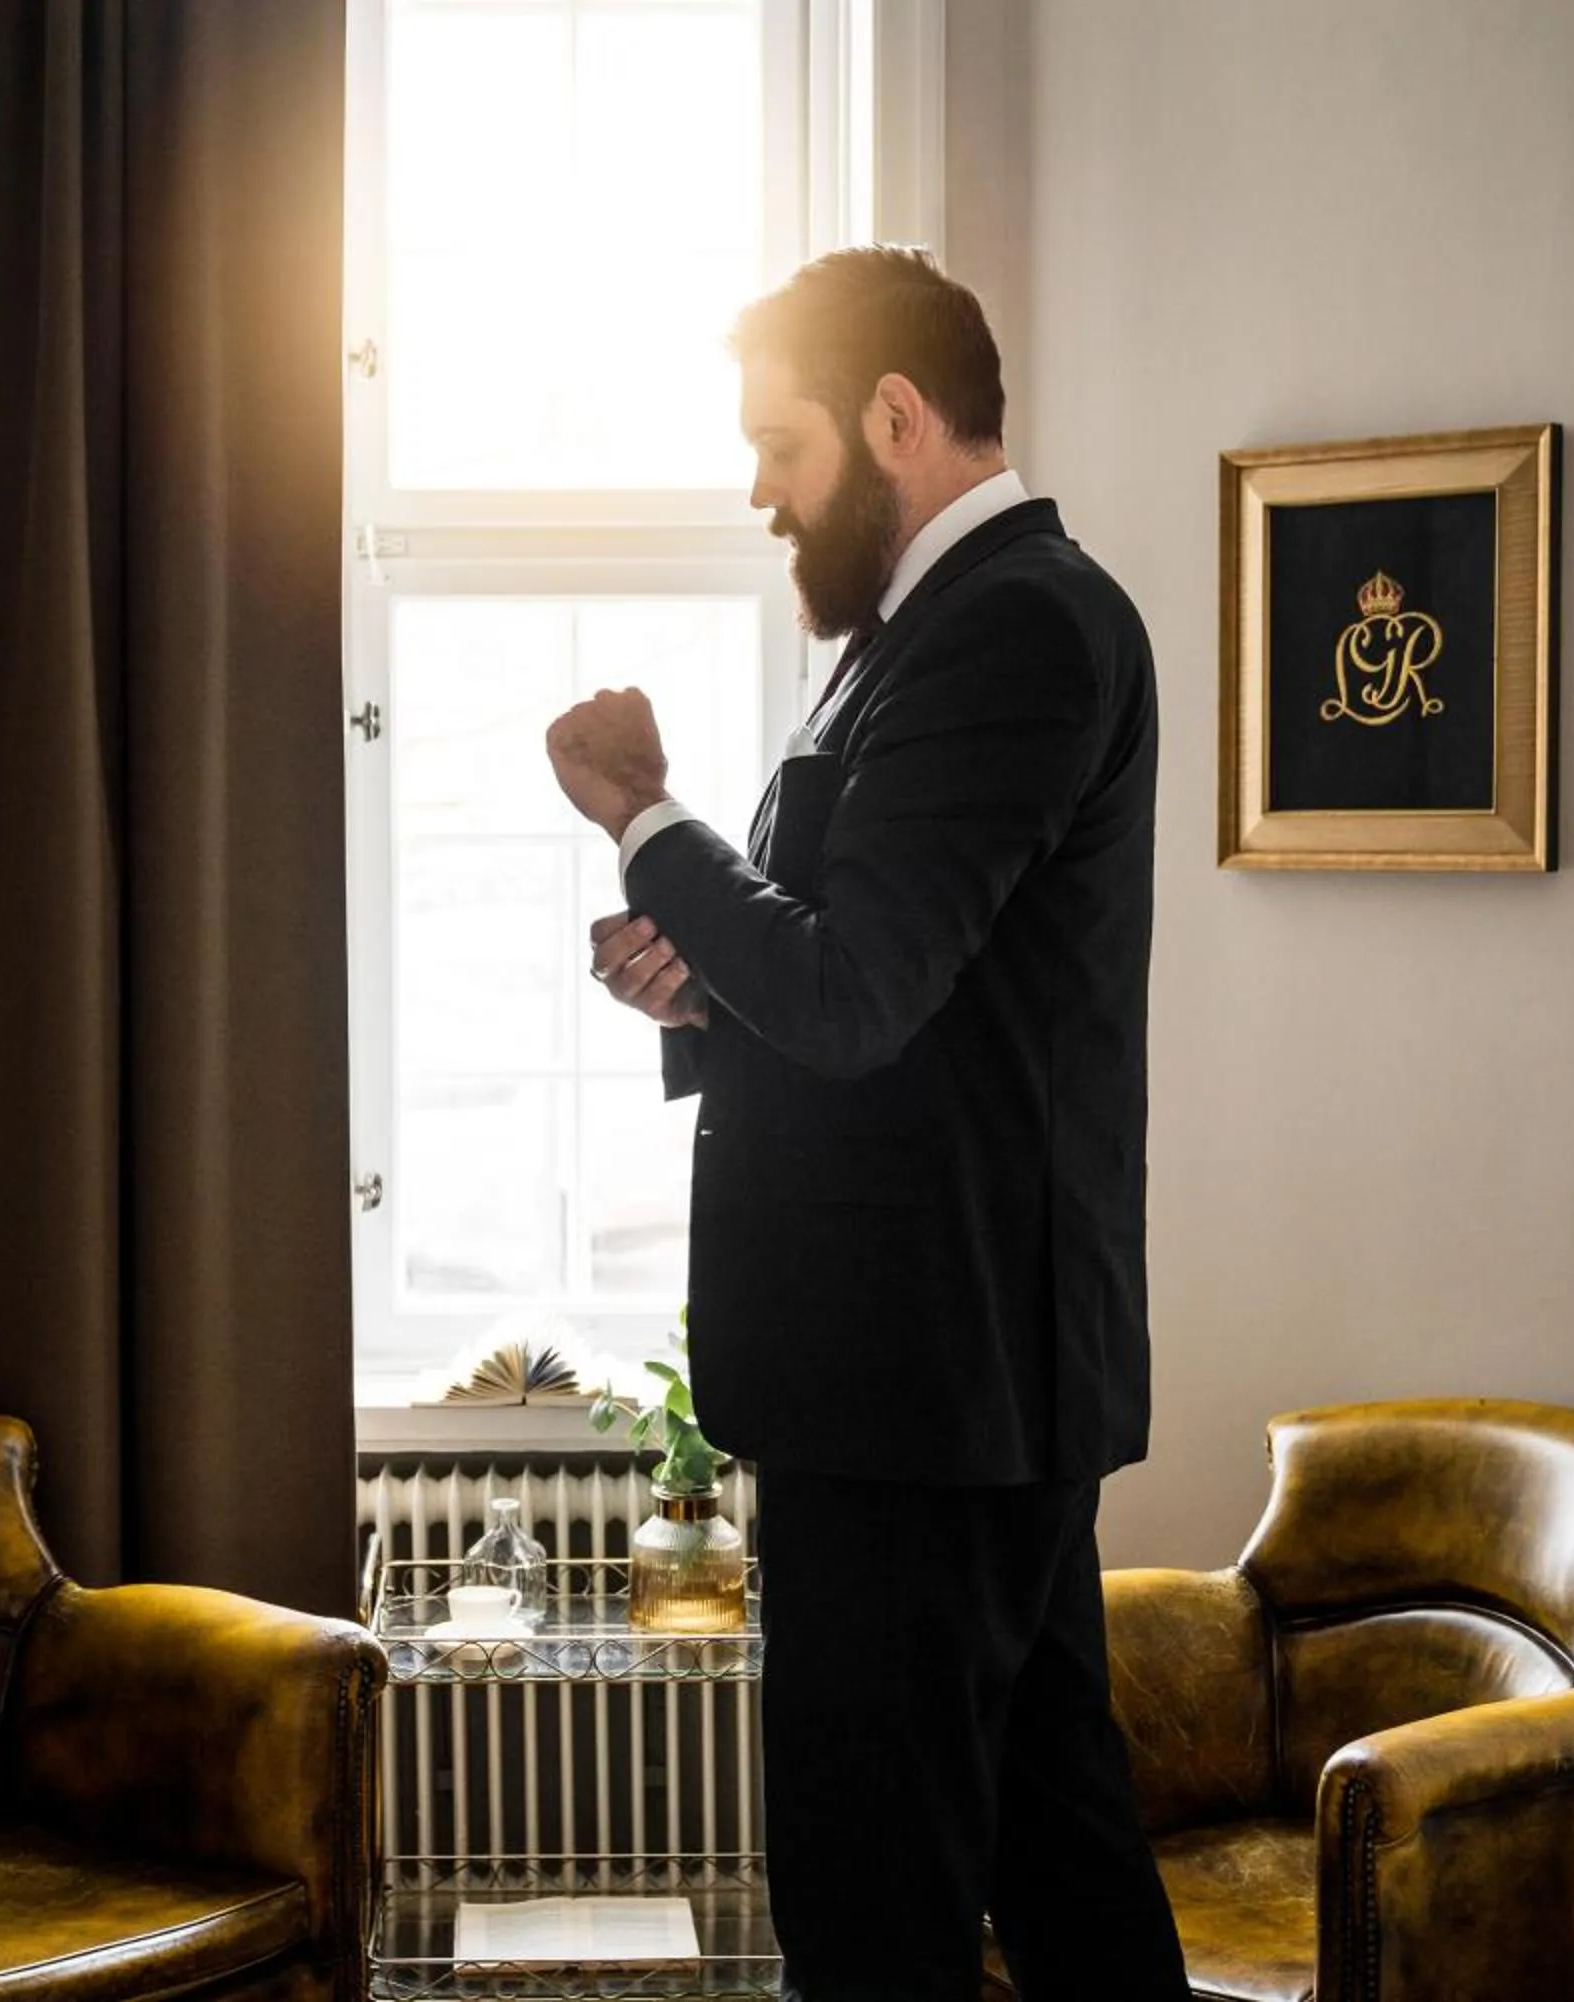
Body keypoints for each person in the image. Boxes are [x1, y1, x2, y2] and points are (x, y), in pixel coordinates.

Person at [543, 247, 1184, 2001]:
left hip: (928, 1389)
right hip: (940, 1382)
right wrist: (702, 991)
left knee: (871, 1900)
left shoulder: (1018, 626)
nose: (762, 490)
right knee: (1059, 1861)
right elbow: (875, 982)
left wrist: (643, 813)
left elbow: (848, 996)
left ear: (896, 415)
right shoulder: (914, 642)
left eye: (782, 444)